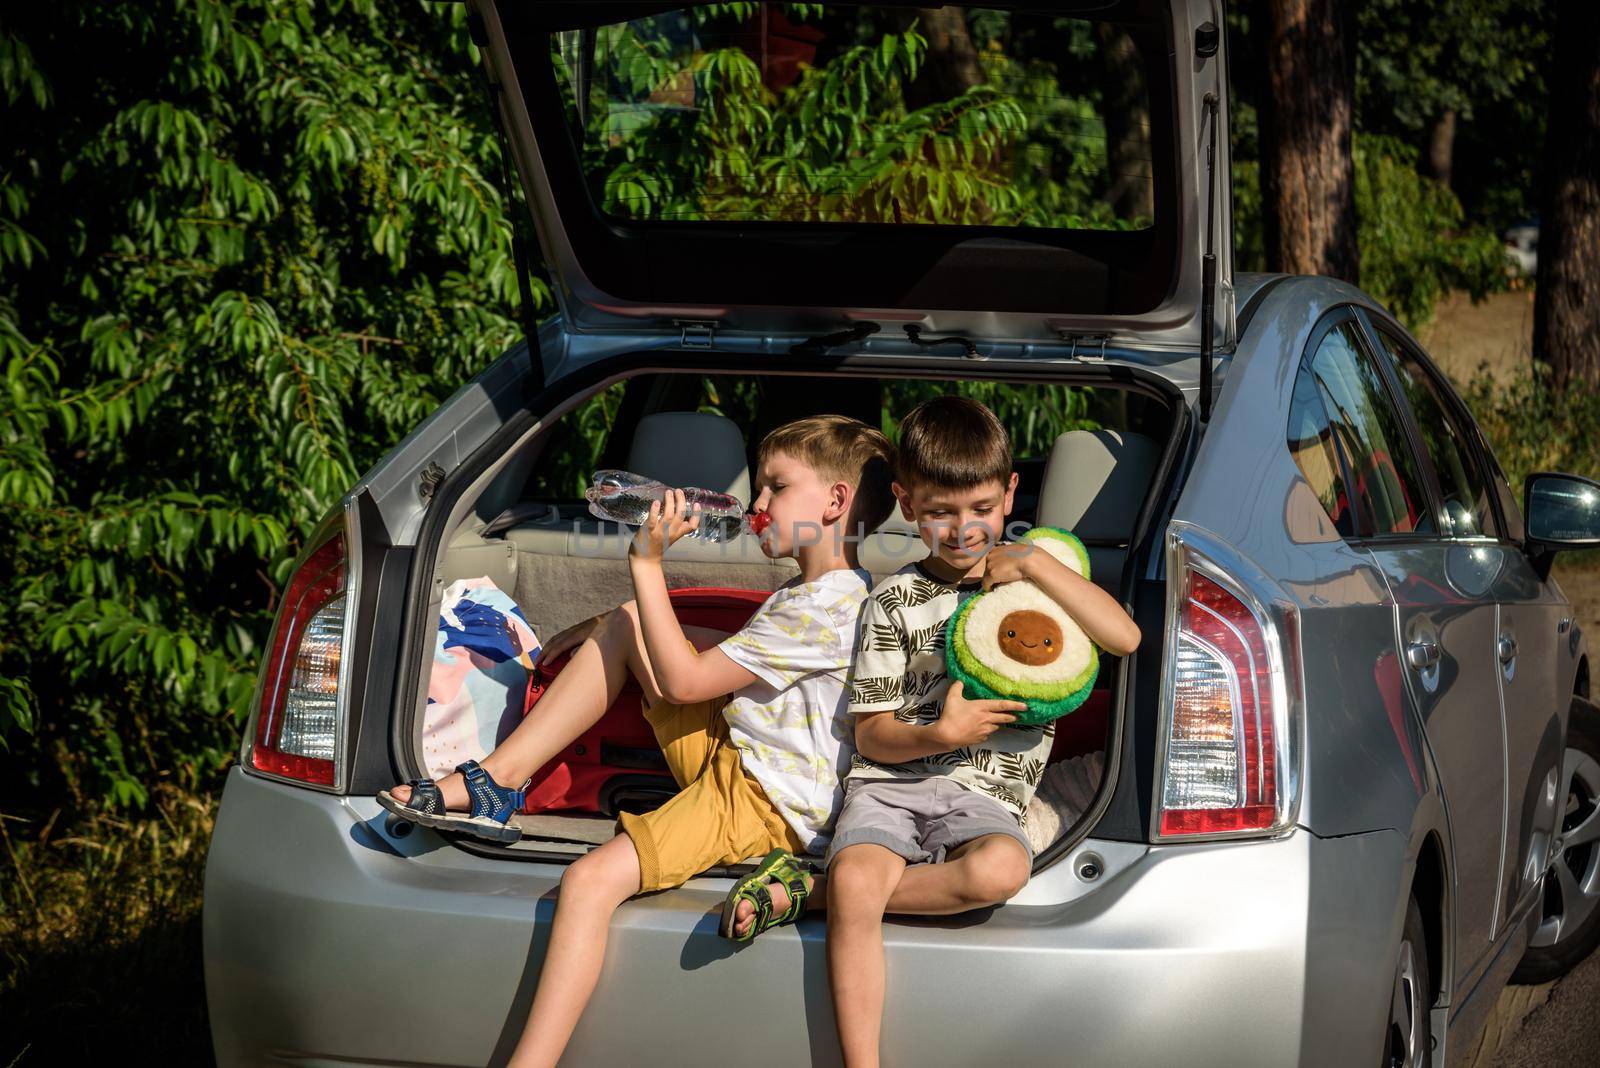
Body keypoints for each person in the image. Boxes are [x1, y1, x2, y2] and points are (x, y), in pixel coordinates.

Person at [377, 414, 895, 1068]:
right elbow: (723, 655)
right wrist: (608, 625)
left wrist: (647, 565)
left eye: (776, 487)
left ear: (835, 503)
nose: (757, 504)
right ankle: (497, 781)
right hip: (737, 759)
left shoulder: (823, 606)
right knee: (627, 623)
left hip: (762, 807)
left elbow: (683, 682)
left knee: (590, 883)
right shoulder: (827, 593)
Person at [825, 396, 1141, 1068]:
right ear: (907, 505)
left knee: (1003, 868)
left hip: (987, 797)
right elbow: (873, 736)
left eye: (980, 508)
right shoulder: (892, 600)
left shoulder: (1037, 593)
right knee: (862, 874)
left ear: (1009, 495)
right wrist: (941, 734)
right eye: (940, 511)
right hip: (892, 785)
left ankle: (827, 895)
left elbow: (1126, 636)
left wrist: (1031, 564)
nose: (964, 529)